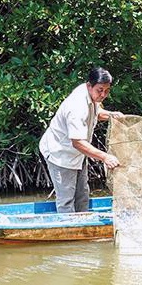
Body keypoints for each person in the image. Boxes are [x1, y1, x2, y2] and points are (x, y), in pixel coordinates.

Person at [39, 67, 125, 213]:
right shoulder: (76, 106)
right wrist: (105, 157)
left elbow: (97, 112)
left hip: (77, 153)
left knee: (82, 195)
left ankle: (83, 225)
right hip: (60, 153)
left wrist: (111, 115)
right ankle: (69, 232)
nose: (103, 94)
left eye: (107, 90)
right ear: (89, 86)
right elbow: (77, 142)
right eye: (100, 90)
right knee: (66, 200)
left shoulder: (91, 95)